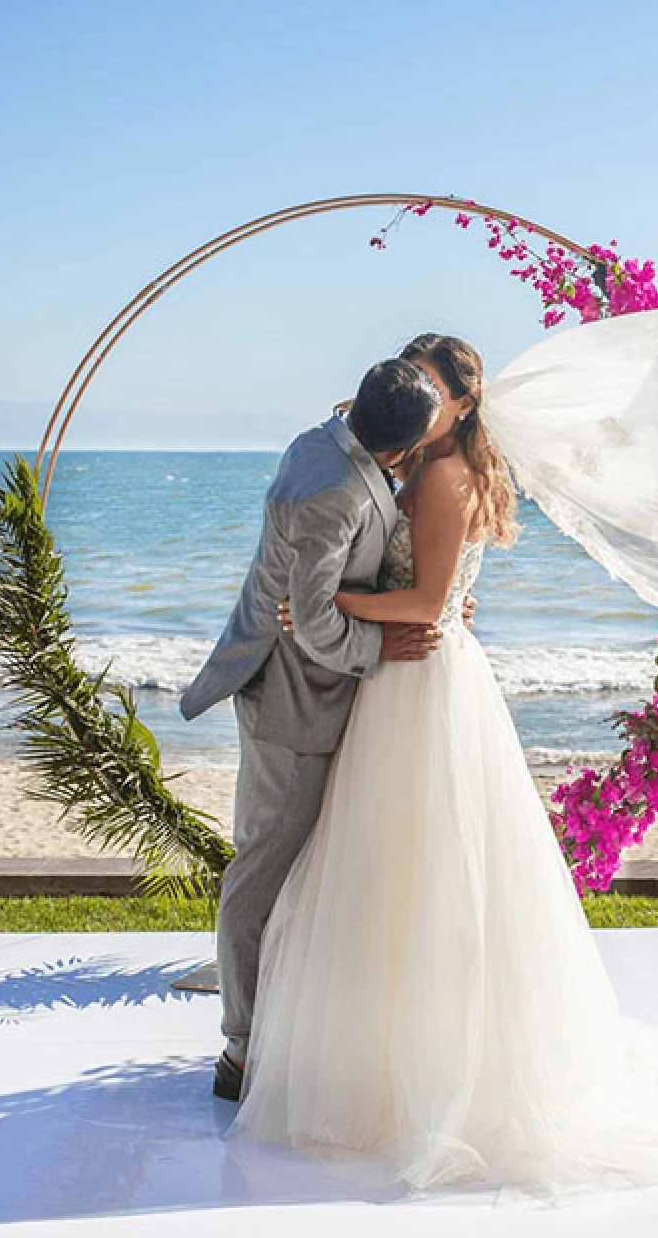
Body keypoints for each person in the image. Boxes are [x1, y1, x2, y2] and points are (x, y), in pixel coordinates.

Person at [225, 333, 658, 1200]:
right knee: (389, 873)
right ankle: (362, 1048)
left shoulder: (440, 474)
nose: (420, 396)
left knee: (420, 870)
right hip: (405, 671)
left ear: (466, 407)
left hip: (419, 676)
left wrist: (324, 606)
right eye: (413, 383)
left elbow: (429, 602)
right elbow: (432, 577)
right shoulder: (418, 457)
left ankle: (411, 1071)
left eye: (435, 389)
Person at [177, 357, 449, 1105]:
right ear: (398, 451)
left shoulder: (328, 442)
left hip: (325, 698)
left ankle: (293, 1027)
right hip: (290, 704)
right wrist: (383, 645)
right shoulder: (328, 492)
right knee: (261, 874)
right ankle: (240, 1050)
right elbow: (312, 620)